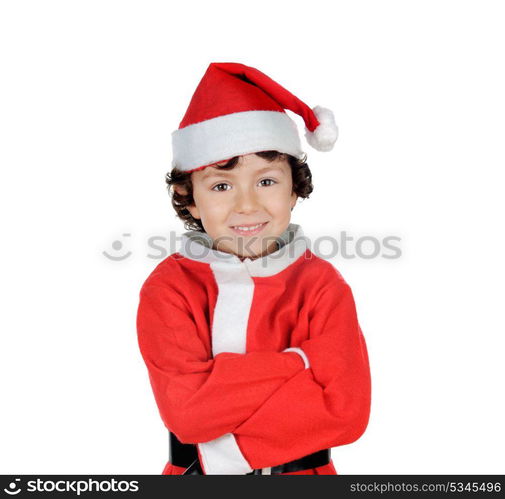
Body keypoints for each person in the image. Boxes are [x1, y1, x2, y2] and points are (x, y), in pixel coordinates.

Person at [136, 62, 371, 475]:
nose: (247, 205)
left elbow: (346, 413)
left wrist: (219, 391)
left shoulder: (321, 286)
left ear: (295, 188)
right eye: (221, 185)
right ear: (188, 197)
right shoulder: (168, 289)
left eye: (266, 181)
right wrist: (302, 362)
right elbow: (187, 415)